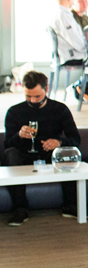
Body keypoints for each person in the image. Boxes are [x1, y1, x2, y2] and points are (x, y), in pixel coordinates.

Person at [3, 71, 83, 226]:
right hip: (24, 156)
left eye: (37, 96)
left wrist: (59, 143)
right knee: (10, 154)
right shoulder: (14, 112)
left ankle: (70, 205)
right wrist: (19, 136)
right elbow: (7, 145)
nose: (33, 100)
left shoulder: (60, 109)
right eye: (28, 96)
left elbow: (75, 139)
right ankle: (20, 209)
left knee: (66, 153)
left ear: (47, 88)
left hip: (50, 155)